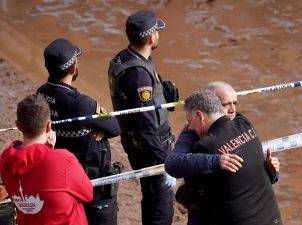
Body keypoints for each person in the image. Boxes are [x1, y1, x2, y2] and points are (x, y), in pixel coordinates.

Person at [165, 82, 280, 225]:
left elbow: (174, 166)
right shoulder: (244, 124)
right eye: (227, 104)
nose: (191, 126)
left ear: (200, 115)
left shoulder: (206, 147)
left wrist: (187, 134)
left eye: (190, 121)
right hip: (271, 218)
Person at [36, 39, 121, 225]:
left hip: (57, 175)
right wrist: (101, 128)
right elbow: (115, 126)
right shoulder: (82, 104)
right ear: (73, 68)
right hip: (88, 178)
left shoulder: (40, 94)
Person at [108, 10, 179, 225]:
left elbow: (136, 104)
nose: (158, 34)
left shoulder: (125, 57)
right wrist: (167, 162)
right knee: (161, 206)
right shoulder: (138, 75)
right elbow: (145, 124)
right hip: (151, 149)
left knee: (152, 199)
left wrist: (163, 95)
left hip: (139, 145)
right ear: (150, 37)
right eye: (156, 31)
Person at [0, 94, 93, 225]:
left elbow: (32, 164)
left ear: (18, 126)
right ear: (49, 126)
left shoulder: (5, 159)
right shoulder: (63, 159)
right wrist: (50, 151)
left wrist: (48, 150)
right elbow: (88, 194)